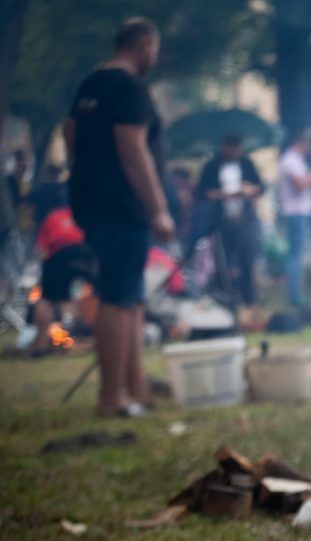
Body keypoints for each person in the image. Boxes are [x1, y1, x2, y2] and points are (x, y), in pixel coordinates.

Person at [65, 17, 174, 418]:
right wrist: (158, 208)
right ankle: (112, 398)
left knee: (131, 296)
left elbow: (69, 134)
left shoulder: (90, 85)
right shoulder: (129, 88)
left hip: (92, 203)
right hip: (123, 206)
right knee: (117, 297)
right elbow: (133, 149)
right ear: (145, 45)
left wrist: (86, 175)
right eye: (155, 50)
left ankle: (137, 389)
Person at [197, 134, 264, 306]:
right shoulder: (212, 166)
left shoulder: (247, 164)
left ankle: (249, 299)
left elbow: (260, 187)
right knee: (221, 260)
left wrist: (249, 190)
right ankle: (222, 297)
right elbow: (203, 192)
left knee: (247, 258)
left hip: (244, 219)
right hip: (221, 220)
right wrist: (226, 194)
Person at [29, 206, 93, 355]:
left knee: (47, 299)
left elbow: (42, 250)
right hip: (85, 256)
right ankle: (85, 338)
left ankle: (41, 344)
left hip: (58, 256)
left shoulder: (52, 217)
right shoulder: (85, 212)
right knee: (94, 296)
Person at [277, 129, 311, 309]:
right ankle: (295, 295)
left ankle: (297, 293)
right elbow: (301, 184)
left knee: (297, 254)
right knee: (296, 255)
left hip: (299, 213)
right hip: (296, 213)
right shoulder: (291, 160)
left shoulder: (295, 160)